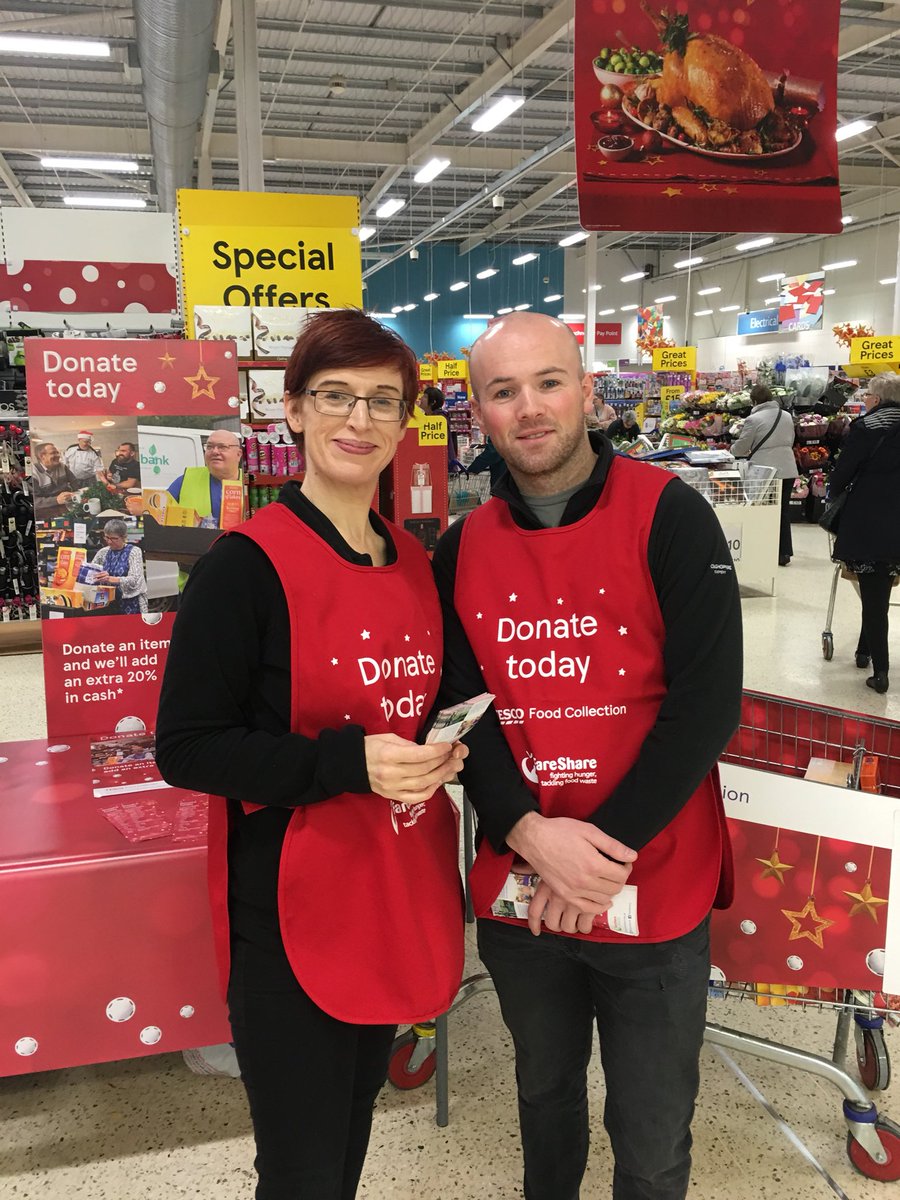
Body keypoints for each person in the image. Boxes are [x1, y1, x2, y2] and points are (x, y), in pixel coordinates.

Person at [155, 309, 465, 1200]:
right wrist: (347, 765)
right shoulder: (243, 568)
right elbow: (188, 746)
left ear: (405, 422)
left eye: (382, 401)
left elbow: (414, 700)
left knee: (351, 1130)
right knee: (299, 1167)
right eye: (334, 396)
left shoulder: (414, 558)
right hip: (289, 913)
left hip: (395, 885)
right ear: (291, 410)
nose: (358, 420)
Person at [432, 311, 742, 1200]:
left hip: (649, 873)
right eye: (504, 391)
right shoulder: (462, 549)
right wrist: (531, 835)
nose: (530, 408)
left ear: (587, 391)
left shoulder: (672, 516)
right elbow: (465, 712)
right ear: (479, 414)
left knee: (650, 1133)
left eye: (549, 382)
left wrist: (593, 854)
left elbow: (706, 707)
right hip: (523, 886)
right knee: (544, 1094)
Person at [828, 372, 900, 695]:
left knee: (872, 595)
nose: (866, 400)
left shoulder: (866, 428)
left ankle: (881, 672)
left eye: (868, 395)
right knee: (877, 592)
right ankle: (863, 650)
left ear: (878, 399)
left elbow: (842, 476)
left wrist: (835, 491)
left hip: (870, 523)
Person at [730, 383, 796, 566]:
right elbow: (790, 440)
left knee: (764, 511)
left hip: (765, 471)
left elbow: (742, 447)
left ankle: (766, 548)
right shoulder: (787, 416)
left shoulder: (754, 419)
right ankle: (784, 552)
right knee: (783, 510)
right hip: (788, 467)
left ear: (754, 400)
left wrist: (730, 450)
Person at [166, 429, 243, 526]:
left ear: (238, 454)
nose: (214, 451)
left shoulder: (251, 483)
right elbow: (160, 512)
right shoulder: (186, 479)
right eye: (210, 447)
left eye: (222, 447)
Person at [89, 518, 148, 614]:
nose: (109, 542)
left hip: (129, 603)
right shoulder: (103, 552)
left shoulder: (134, 551)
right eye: (107, 537)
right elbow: (90, 572)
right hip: (107, 603)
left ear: (124, 537)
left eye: (114, 538)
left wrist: (111, 579)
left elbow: (135, 580)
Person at [32, 442, 78, 518]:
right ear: (42, 456)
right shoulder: (33, 474)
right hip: (45, 513)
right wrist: (56, 500)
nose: (58, 455)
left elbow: (75, 482)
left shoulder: (62, 466)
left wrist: (76, 493)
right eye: (53, 453)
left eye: (57, 452)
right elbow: (34, 502)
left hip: (67, 508)